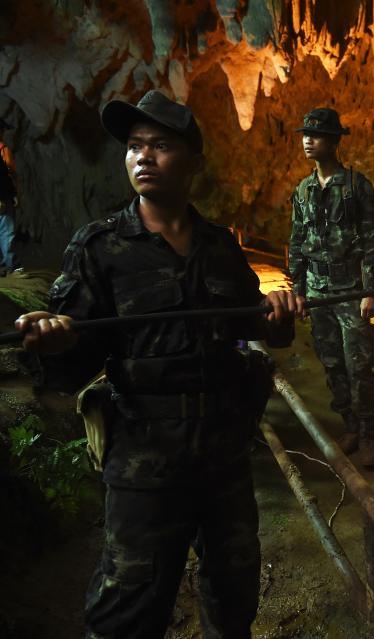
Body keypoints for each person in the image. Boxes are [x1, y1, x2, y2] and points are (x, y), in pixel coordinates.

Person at [13, 90, 304, 638]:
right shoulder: (99, 248)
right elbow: (67, 369)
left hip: (223, 458)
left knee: (234, 589)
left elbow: (252, 330)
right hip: (145, 461)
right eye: (133, 146)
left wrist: (277, 316)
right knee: (130, 603)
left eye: (161, 145)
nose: (142, 157)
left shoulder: (220, 247)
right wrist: (53, 342)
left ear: (192, 162)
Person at [287, 108, 374, 468]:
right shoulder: (304, 189)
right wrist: (298, 289)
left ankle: (369, 435)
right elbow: (297, 240)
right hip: (317, 290)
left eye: (316, 135)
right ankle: (349, 426)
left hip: (350, 289)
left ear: (333, 141)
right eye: (305, 134)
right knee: (332, 363)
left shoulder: (357, 187)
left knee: (359, 364)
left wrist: (371, 290)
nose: (308, 140)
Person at [0, 119, 21, 275]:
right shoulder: (2, 150)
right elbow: (9, 173)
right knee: (7, 230)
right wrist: (12, 194)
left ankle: (3, 265)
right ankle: (12, 266)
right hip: (2, 196)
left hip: (3, 195)